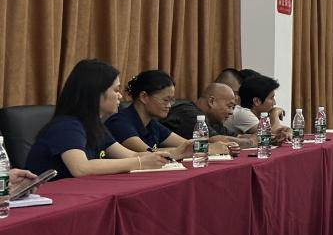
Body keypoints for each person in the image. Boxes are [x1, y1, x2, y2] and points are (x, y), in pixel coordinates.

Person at [25, 59, 172, 178]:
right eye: (116, 90)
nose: (120, 96)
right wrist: (140, 162)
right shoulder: (67, 125)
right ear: (95, 93)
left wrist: (169, 155)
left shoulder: (94, 125)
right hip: (48, 198)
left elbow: (131, 155)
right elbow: (81, 168)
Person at [106, 70, 238, 156]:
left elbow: (186, 144)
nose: (169, 105)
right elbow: (148, 153)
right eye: (165, 100)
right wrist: (209, 149)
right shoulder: (119, 122)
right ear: (144, 97)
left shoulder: (152, 124)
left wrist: (217, 146)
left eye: (171, 100)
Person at [164, 82, 255, 149]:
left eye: (233, 107)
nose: (231, 112)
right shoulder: (188, 111)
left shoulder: (213, 120)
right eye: (229, 106)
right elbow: (214, 141)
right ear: (211, 101)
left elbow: (237, 137)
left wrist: (256, 137)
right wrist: (252, 142)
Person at [225, 73, 292, 142]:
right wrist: (274, 114)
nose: (274, 103)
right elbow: (268, 134)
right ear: (256, 101)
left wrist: (288, 133)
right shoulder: (243, 113)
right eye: (271, 98)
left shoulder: (258, 115)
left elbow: (283, 129)